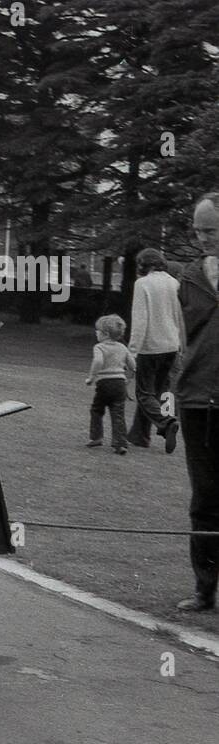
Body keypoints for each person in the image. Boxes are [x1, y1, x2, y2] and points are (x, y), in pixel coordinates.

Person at [175, 191, 219, 611]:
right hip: (196, 400)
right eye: (198, 230)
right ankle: (204, 589)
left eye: (210, 230)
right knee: (204, 498)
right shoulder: (189, 278)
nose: (202, 237)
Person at [125, 248, 183, 452]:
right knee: (157, 392)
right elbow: (179, 317)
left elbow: (140, 321)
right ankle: (139, 436)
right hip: (171, 345)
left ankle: (167, 423)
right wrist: (180, 346)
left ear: (143, 264)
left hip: (151, 347)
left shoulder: (142, 284)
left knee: (144, 394)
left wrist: (131, 352)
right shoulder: (174, 283)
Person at [85, 314, 135, 455]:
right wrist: (128, 379)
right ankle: (120, 443)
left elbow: (98, 362)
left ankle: (96, 437)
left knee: (97, 409)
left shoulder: (99, 347)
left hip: (104, 384)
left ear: (105, 334)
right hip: (120, 384)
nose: (96, 333)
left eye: (98, 331)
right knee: (118, 413)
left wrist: (91, 377)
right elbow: (133, 365)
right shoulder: (123, 348)